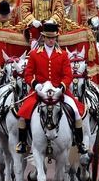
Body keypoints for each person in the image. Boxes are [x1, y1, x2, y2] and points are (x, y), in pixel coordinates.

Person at [15, 22, 87, 154]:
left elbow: (68, 75)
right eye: (48, 38)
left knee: (77, 112)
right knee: (22, 114)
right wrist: (36, 85)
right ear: (43, 37)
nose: (51, 40)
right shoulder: (35, 54)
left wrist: (61, 87)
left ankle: (79, 141)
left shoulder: (63, 55)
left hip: (60, 91)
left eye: (53, 38)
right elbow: (28, 74)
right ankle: (23, 143)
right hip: (39, 91)